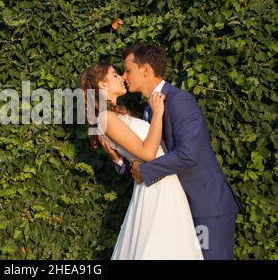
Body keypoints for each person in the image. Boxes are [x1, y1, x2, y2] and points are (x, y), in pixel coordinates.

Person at [100, 43, 241, 259]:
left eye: (128, 70)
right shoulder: (149, 108)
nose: (125, 76)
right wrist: (119, 161)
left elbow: (188, 155)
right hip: (175, 207)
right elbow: (153, 153)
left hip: (205, 206)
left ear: (145, 69)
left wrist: (145, 171)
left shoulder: (179, 101)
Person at [80, 62, 203, 260]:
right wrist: (159, 114)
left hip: (163, 182)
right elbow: (148, 154)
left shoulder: (115, 113)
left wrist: (120, 159)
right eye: (114, 75)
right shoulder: (105, 118)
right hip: (157, 187)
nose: (122, 77)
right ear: (101, 85)